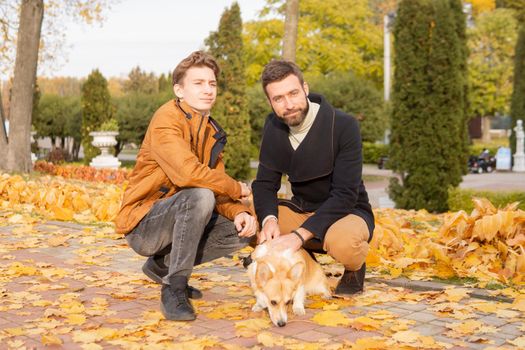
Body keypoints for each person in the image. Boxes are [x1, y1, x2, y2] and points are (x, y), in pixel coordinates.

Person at [115, 51, 257, 321]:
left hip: (182, 213)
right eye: (198, 83)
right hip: (144, 223)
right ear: (179, 89)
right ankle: (173, 288)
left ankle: (162, 265)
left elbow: (217, 187)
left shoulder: (210, 130)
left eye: (212, 84)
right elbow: (187, 174)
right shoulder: (166, 120)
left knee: (243, 230)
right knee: (199, 196)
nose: (207, 90)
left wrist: (240, 212)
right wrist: (237, 187)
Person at [251, 60, 375, 295]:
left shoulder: (344, 125)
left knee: (345, 244)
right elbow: (265, 184)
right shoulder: (273, 127)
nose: (289, 105)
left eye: (293, 93)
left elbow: (345, 195)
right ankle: (306, 265)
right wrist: (269, 220)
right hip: (301, 210)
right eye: (279, 99)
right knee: (248, 218)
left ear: (305, 89)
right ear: (270, 102)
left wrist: (298, 236)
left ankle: (354, 268)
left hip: (346, 212)